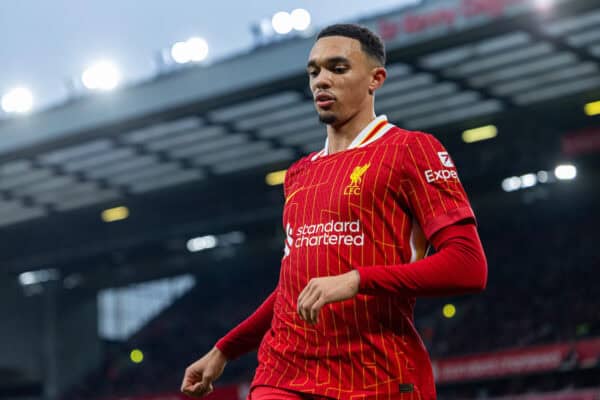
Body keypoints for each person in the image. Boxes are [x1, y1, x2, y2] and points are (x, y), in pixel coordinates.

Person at [181, 23, 487, 400]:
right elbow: (294, 289)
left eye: (337, 68)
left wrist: (358, 279)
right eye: (314, 71)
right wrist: (225, 349)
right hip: (285, 371)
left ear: (376, 78)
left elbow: (468, 265)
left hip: (377, 374)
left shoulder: (411, 150)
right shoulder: (298, 175)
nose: (321, 81)